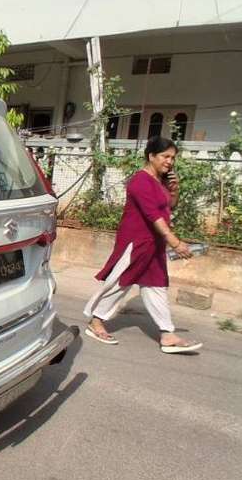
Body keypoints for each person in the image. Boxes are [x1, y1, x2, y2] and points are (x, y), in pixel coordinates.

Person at [83, 136, 203, 354]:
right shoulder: (140, 181)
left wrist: (174, 191)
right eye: (165, 156)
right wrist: (175, 242)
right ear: (151, 156)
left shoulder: (159, 182)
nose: (170, 162)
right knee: (120, 282)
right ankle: (96, 321)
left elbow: (168, 208)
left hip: (154, 244)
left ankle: (167, 334)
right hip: (136, 241)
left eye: (173, 158)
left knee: (156, 286)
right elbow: (153, 215)